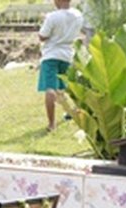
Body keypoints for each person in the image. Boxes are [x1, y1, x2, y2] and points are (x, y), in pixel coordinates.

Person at [37, 0, 83, 132]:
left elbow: (42, 36)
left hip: (51, 55)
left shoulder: (52, 16)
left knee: (50, 88)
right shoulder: (77, 15)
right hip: (68, 55)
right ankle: (71, 112)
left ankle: (52, 124)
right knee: (65, 87)